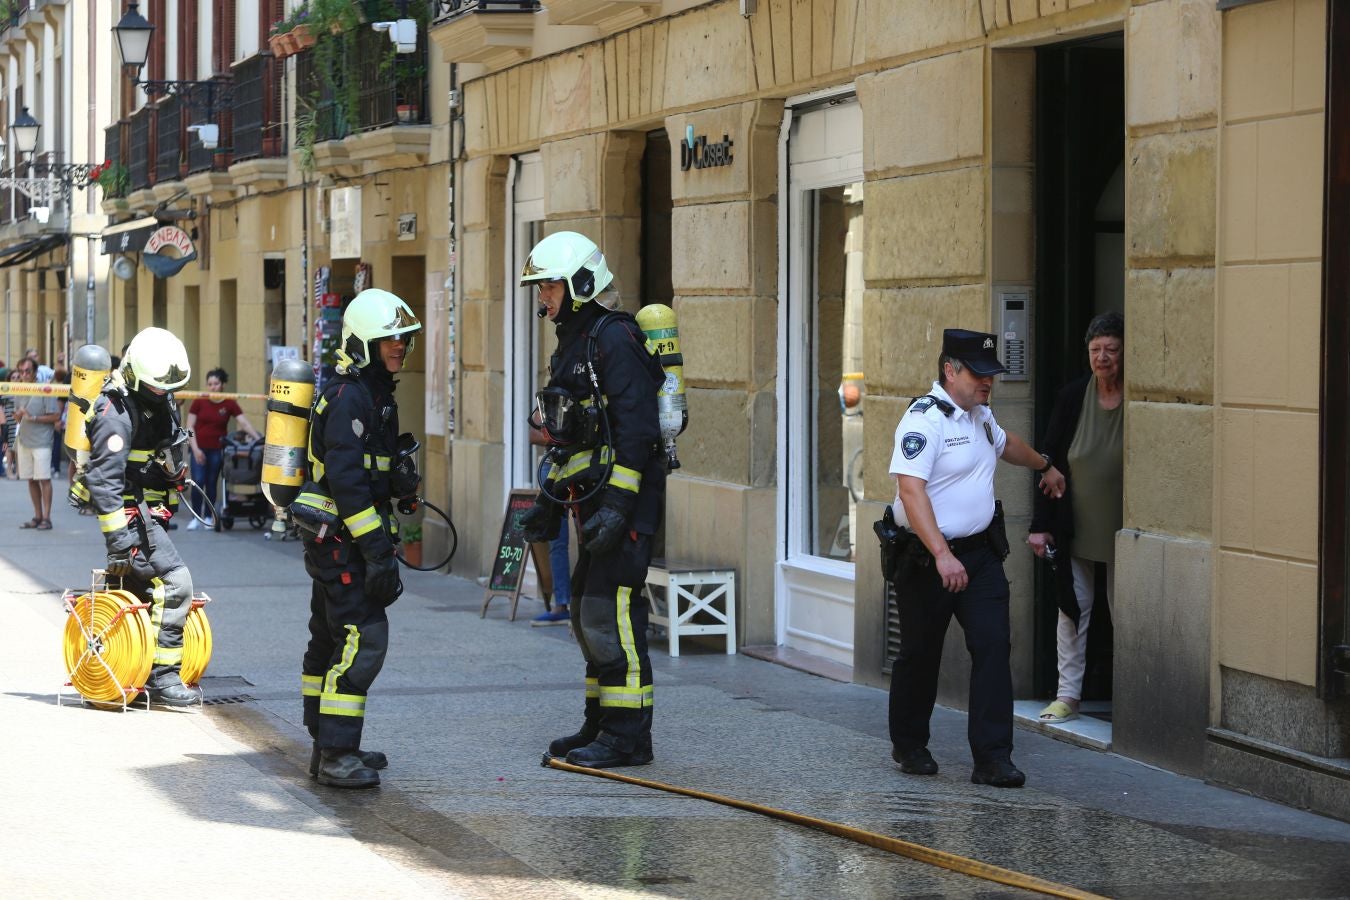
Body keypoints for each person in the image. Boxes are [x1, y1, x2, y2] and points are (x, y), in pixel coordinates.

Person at [888, 329, 1065, 788]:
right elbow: (911, 490)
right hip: (929, 559)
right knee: (920, 654)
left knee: (992, 647)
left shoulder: (980, 415)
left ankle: (992, 758)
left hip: (981, 556)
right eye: (979, 373)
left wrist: (1044, 465)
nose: (988, 382)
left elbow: (1006, 446)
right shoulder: (924, 420)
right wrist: (942, 554)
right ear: (950, 371)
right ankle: (909, 745)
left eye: (992, 374)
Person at [518, 231, 666, 769]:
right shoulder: (574, 342)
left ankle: (628, 736)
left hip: (623, 508)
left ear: (580, 282)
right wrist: (548, 505)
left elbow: (637, 432)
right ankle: (600, 721)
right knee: (584, 613)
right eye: (540, 289)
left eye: (548, 286)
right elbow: (572, 440)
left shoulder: (614, 339)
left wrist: (619, 508)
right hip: (592, 504)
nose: (542, 298)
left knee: (614, 615)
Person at [299, 288, 421, 789]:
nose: (400, 347)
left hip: (338, 544)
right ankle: (336, 754)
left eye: (404, 338)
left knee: (329, 641)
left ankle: (328, 744)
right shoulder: (350, 396)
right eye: (389, 338)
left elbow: (369, 470)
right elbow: (348, 484)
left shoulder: (373, 395)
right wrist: (377, 552)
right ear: (364, 343)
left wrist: (400, 482)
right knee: (362, 640)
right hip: (345, 545)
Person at [83, 327, 198, 706]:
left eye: (168, 388)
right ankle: (162, 677)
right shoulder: (114, 411)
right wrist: (119, 544)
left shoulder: (157, 396)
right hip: (130, 517)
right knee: (176, 582)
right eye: (157, 387)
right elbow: (103, 481)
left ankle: (129, 668)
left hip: (151, 513)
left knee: (142, 593)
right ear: (133, 374)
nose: (164, 393)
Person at [1027, 312, 1125, 725]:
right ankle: (1068, 695)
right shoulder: (1072, 397)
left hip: (1123, 532)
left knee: (1125, 614)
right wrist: (1040, 525)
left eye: (1112, 350)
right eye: (1095, 350)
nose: (1102, 358)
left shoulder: (1141, 402)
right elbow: (1047, 462)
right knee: (1072, 610)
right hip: (1076, 526)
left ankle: (1132, 700)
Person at [186, 367, 260, 530]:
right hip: (198, 448)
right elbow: (190, 425)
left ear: (223, 385)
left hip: (217, 450)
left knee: (212, 483)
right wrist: (196, 449)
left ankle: (208, 516)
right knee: (198, 481)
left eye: (216, 383)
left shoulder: (229, 403)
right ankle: (196, 516)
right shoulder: (199, 400)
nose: (213, 387)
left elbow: (244, 423)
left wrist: (258, 439)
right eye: (210, 384)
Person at [529, 428, 572, 625]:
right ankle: (561, 603)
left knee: (592, 537)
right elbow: (533, 434)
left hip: (586, 464)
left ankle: (589, 603)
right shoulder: (550, 399)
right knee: (557, 539)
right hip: (553, 465)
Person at [13, 358, 60, 530]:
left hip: (42, 441)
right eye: (21, 371)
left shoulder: (45, 388)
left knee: (44, 479)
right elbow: (18, 416)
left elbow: (56, 416)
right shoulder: (19, 389)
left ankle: (47, 518)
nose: (24, 375)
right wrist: (18, 415)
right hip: (24, 440)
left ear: (35, 372)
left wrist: (33, 418)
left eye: (27, 371)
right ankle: (37, 515)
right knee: (31, 480)